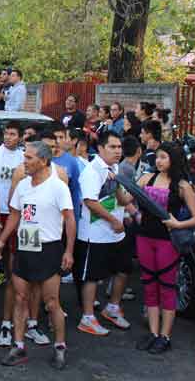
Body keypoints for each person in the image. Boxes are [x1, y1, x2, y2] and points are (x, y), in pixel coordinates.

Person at [0, 141, 76, 369]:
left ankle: (60, 347)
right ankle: (18, 346)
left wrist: (69, 250)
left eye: (29, 158)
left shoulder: (58, 187)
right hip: (25, 247)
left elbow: (70, 219)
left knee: (51, 302)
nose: (24, 162)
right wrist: (2, 240)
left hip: (49, 249)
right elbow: (15, 215)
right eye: (24, 158)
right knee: (20, 298)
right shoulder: (23, 186)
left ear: (43, 161)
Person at [135, 143, 195, 354]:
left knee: (167, 288)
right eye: (157, 157)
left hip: (167, 242)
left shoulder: (182, 186)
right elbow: (126, 198)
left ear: (173, 159)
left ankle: (165, 336)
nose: (159, 161)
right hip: (144, 238)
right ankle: (154, 333)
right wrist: (116, 184)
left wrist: (178, 224)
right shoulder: (146, 178)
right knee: (149, 286)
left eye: (163, 157)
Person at [75, 131, 134, 337]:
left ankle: (113, 308)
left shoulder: (114, 168)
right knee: (92, 276)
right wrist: (114, 221)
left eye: (119, 147)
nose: (118, 151)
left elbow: (119, 195)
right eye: (112, 147)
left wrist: (130, 202)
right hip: (95, 234)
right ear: (100, 148)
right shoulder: (92, 171)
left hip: (116, 234)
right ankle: (88, 318)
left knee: (123, 269)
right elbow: (90, 202)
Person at [0, 121, 25, 347]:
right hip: (0, 209)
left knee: (13, 257)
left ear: (20, 137)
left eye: (13, 134)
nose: (8, 137)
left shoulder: (24, 156)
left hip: (16, 211)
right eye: (6, 133)